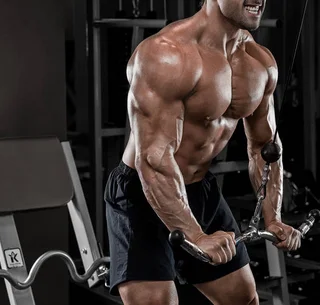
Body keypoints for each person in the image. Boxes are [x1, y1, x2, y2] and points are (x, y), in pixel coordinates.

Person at [103, 0, 303, 304]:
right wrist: (195, 236)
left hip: (198, 190)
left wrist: (272, 217)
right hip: (142, 193)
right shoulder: (167, 55)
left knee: (243, 299)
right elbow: (154, 160)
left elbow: (264, 146)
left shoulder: (259, 62)